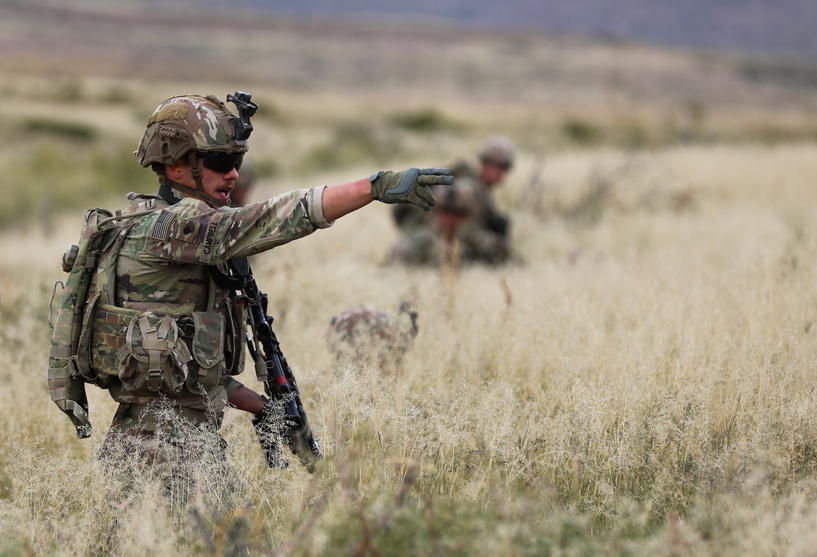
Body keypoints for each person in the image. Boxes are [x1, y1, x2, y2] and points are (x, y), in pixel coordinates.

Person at [51, 92, 451, 510]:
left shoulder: (154, 229)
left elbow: (189, 373)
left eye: (237, 163)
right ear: (174, 165)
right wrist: (372, 188)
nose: (233, 175)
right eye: (220, 163)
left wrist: (266, 409)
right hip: (165, 453)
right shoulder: (174, 227)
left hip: (163, 443)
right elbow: (269, 220)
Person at [390, 135, 516, 266]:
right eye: (499, 167)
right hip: (438, 245)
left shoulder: (475, 187)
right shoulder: (469, 189)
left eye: (504, 168)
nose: (501, 174)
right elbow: (466, 231)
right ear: (484, 163)